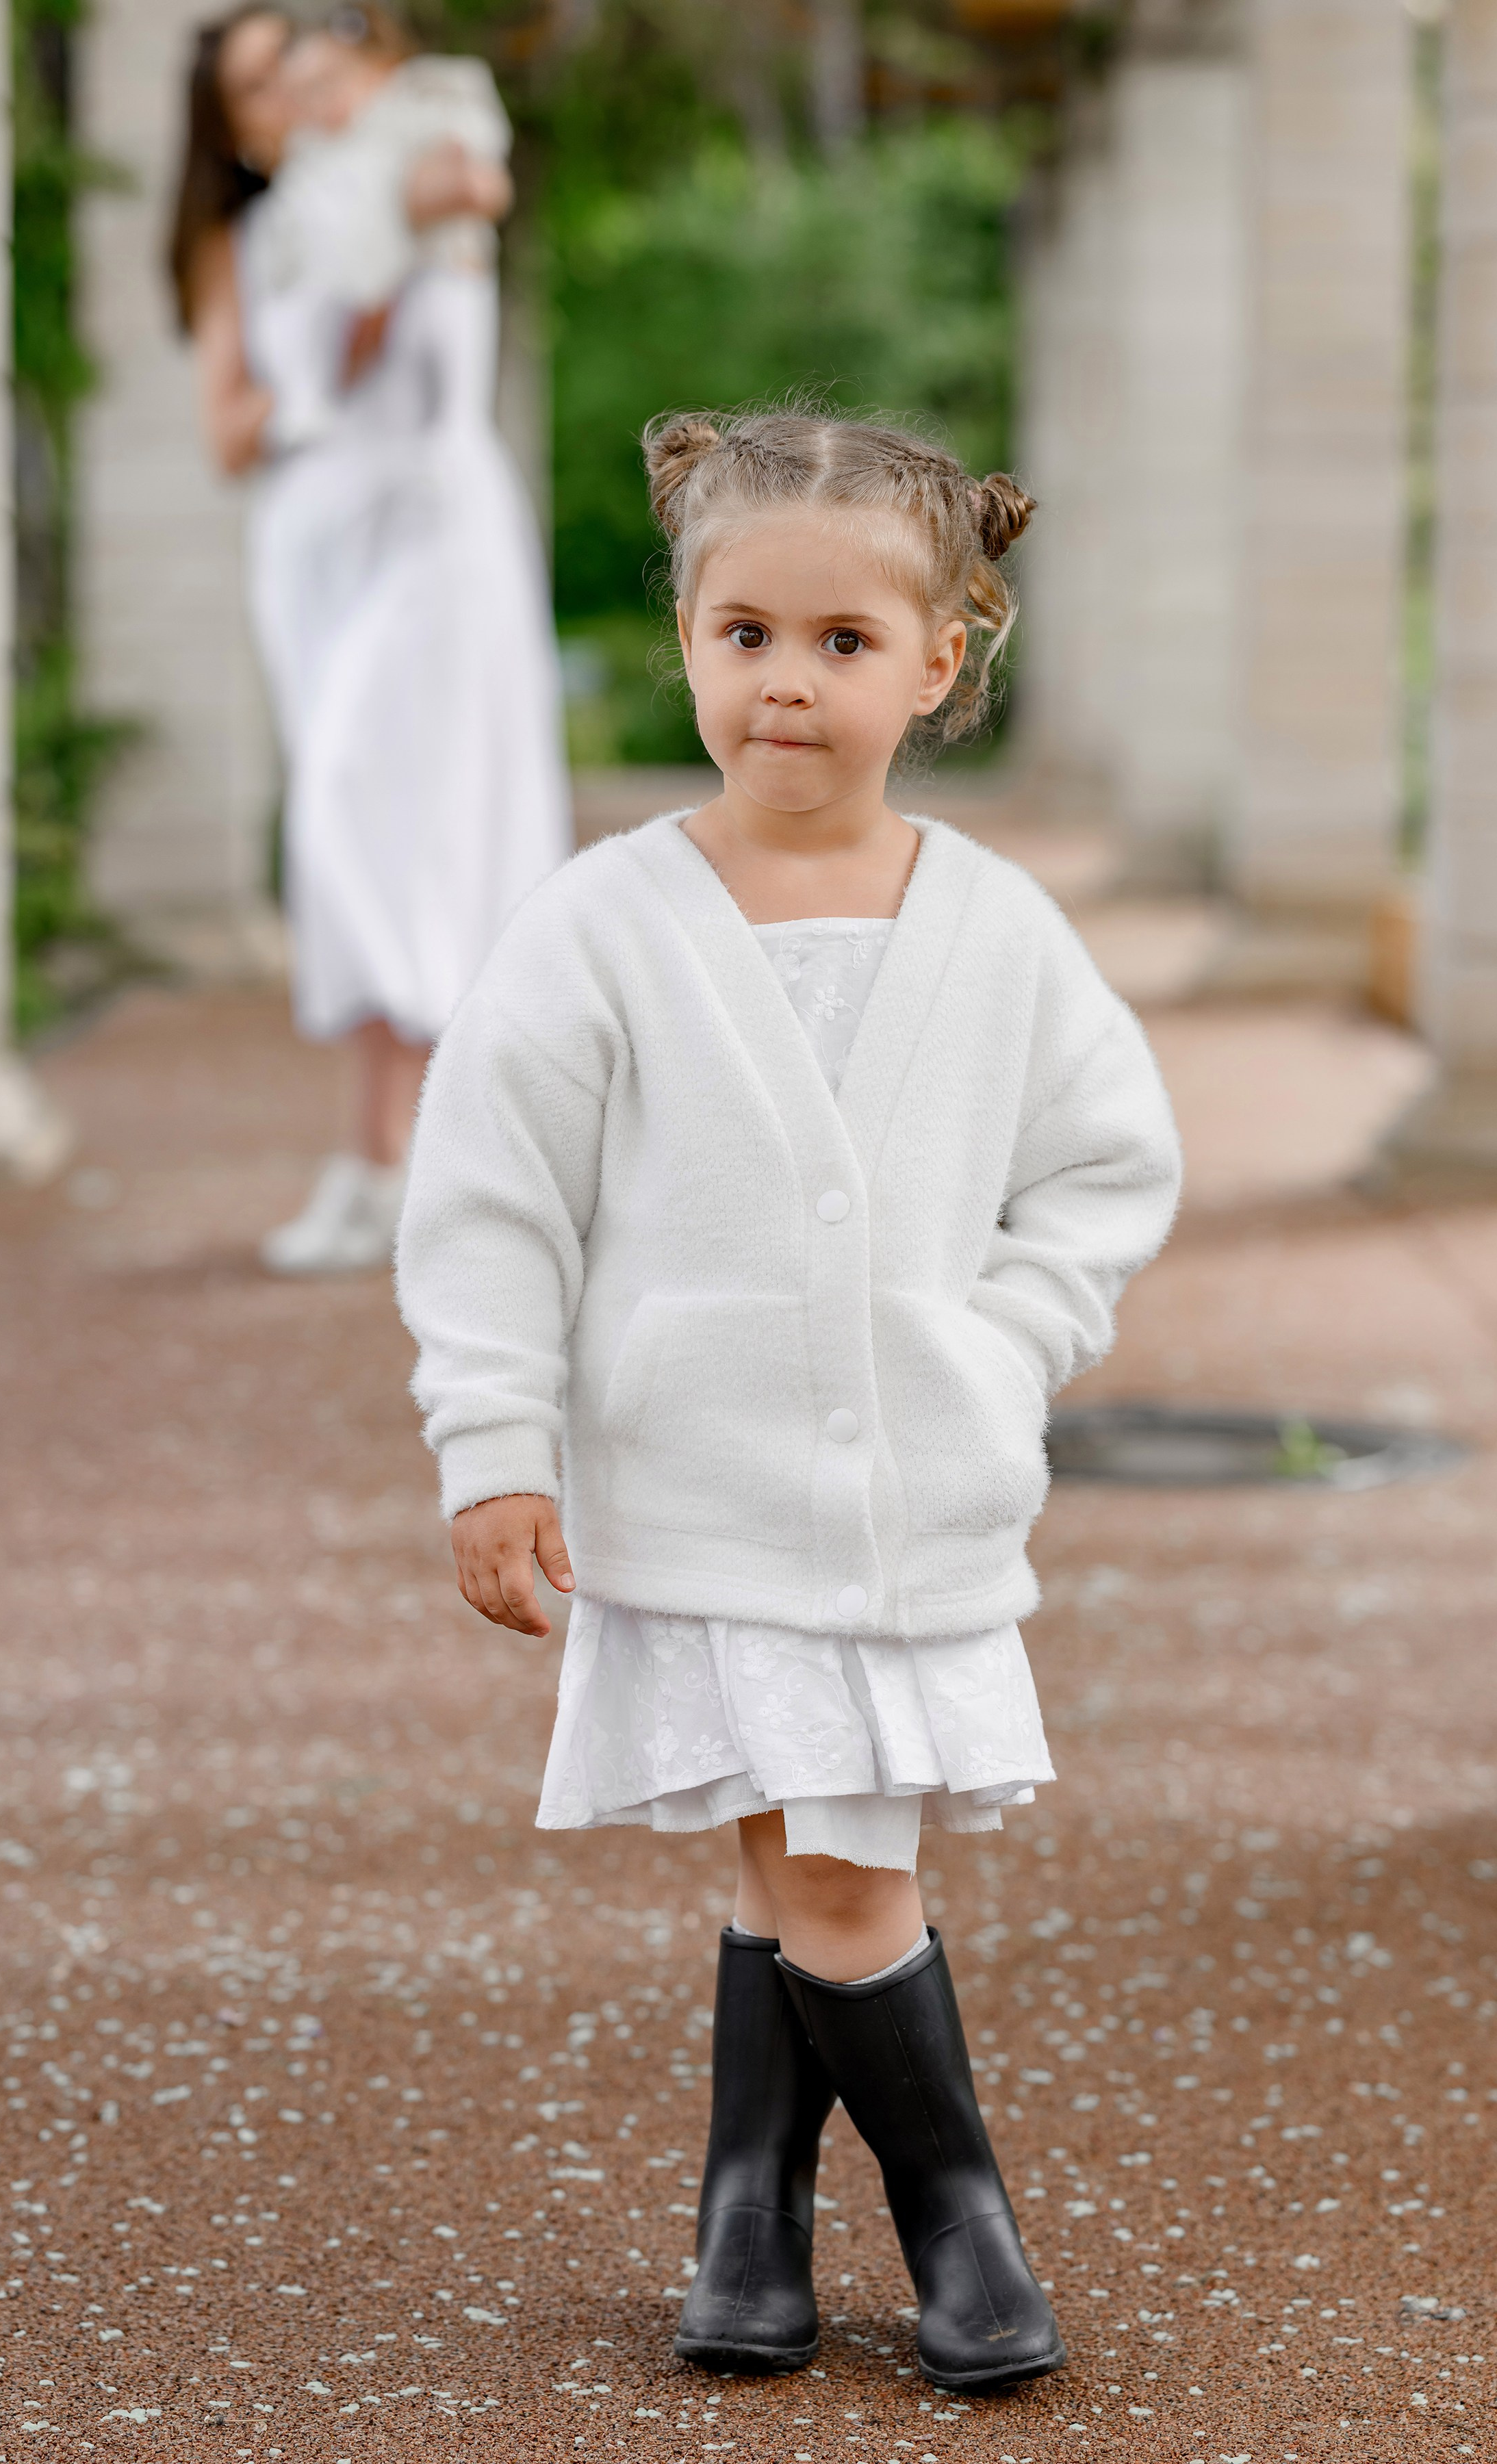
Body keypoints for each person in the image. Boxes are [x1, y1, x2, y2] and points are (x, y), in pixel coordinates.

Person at [395, 405, 1183, 2390]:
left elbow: (1105, 1171)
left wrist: (1004, 1339)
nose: (788, 682)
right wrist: (493, 1449)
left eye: (845, 642)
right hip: (692, 1490)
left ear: (944, 662)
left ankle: (836, 2215)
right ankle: (875, 2216)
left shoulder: (997, 933)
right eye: (745, 631)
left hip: (917, 1496)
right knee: (807, 1848)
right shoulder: (600, 927)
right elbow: (490, 1203)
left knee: (821, 1857)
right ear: (685, 640)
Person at [167, 3, 570, 1274]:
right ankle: (383, 1157)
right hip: (312, 542)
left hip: (435, 530)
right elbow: (230, 430)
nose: (289, 95)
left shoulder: (425, 158)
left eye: (296, 64)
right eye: (256, 87)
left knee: (390, 811)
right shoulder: (241, 238)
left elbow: (471, 193)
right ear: (230, 124)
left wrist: (390, 237)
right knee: (359, 828)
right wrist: (323, 364)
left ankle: (427, 1156)